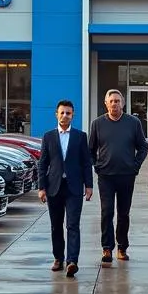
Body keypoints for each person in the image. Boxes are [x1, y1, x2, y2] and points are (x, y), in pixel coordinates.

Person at [88, 88, 148, 263]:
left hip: (126, 176)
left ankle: (122, 247)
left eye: (117, 101)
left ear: (123, 103)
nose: (114, 104)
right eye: (111, 101)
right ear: (106, 103)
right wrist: (96, 166)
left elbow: (143, 146)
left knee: (124, 213)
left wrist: (135, 166)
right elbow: (90, 150)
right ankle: (107, 248)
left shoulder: (133, 122)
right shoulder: (97, 124)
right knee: (107, 212)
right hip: (106, 176)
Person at [38, 100, 93, 278]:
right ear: (56, 114)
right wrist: (41, 187)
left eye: (68, 113)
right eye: (62, 113)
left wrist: (89, 185)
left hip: (74, 187)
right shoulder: (48, 136)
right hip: (54, 187)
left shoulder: (80, 136)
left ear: (73, 115)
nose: (64, 116)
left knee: (72, 225)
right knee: (56, 226)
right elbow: (42, 164)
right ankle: (58, 258)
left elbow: (86, 162)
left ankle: (72, 261)